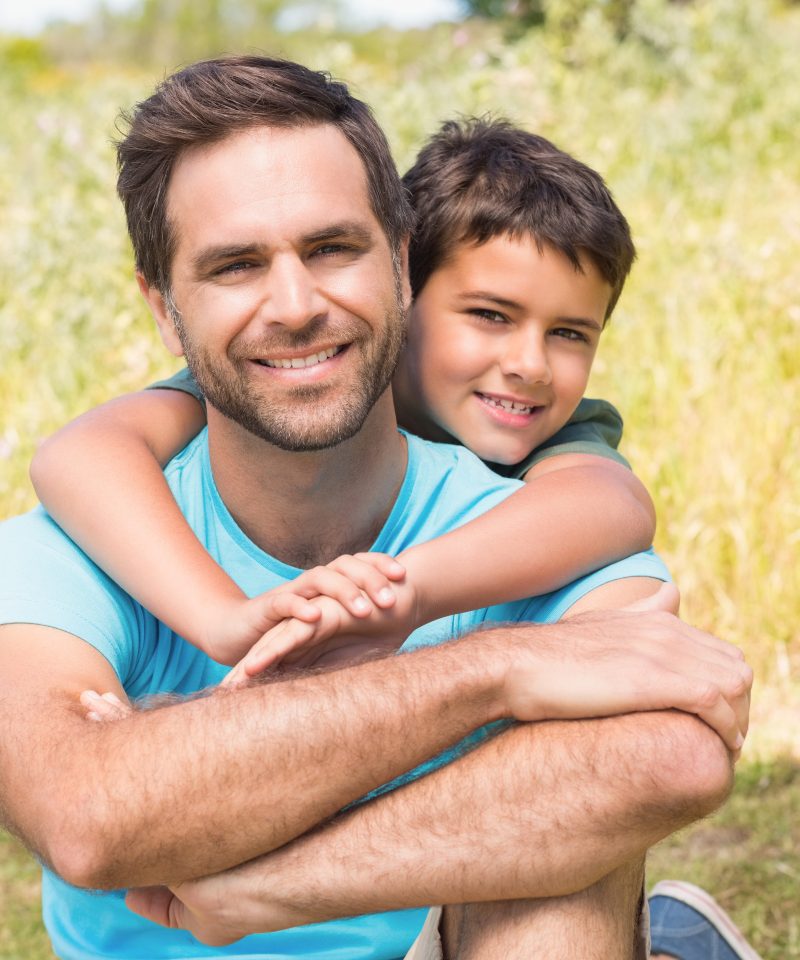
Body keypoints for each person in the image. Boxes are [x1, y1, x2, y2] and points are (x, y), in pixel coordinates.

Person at [0, 55, 751, 960]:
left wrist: (245, 867)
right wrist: (500, 673)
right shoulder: (91, 539)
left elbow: (675, 753)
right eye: (236, 265)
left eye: (331, 249)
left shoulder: (521, 513)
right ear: (165, 311)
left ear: (398, 261)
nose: (296, 305)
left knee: (572, 870)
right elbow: (86, 815)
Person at [31, 117, 656, 676]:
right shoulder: (298, 376)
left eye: (570, 333)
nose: (529, 366)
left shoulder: (550, 432)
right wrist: (223, 620)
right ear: (402, 286)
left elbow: (612, 505)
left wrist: (395, 594)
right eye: (491, 316)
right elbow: (77, 455)